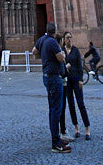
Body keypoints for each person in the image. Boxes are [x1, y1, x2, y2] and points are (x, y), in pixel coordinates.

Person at [32, 22, 71, 153]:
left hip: (46, 75)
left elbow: (34, 52)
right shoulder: (53, 42)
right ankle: (56, 142)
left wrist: (44, 58)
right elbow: (60, 58)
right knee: (56, 109)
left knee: (53, 108)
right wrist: (63, 55)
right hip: (54, 77)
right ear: (55, 31)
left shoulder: (42, 40)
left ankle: (57, 138)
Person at [63, 31, 91, 140]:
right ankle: (76, 129)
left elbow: (80, 65)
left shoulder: (75, 50)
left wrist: (81, 80)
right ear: (64, 39)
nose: (69, 39)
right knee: (71, 105)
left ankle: (87, 129)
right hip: (67, 81)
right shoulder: (62, 50)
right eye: (67, 37)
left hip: (76, 80)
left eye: (70, 37)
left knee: (80, 104)